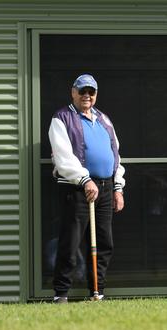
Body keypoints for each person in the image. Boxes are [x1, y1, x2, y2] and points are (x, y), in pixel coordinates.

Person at [49, 74, 125, 303]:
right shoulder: (62, 118)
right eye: (82, 91)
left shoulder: (104, 120)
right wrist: (84, 180)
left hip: (105, 187)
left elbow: (116, 155)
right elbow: (63, 157)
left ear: (96, 95)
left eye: (91, 92)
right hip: (76, 188)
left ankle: (97, 292)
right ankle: (61, 294)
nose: (86, 95)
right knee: (70, 243)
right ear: (73, 92)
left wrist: (118, 187)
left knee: (104, 242)